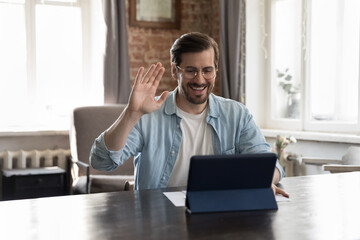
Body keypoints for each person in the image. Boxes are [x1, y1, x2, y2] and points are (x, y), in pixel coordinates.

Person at [90, 32, 289, 197]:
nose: (199, 79)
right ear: (174, 70)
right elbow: (102, 161)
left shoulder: (236, 114)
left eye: (207, 70)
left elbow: (271, 165)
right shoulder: (148, 114)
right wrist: (131, 114)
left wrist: (262, 181)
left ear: (216, 70)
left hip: (220, 215)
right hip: (158, 219)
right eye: (190, 70)